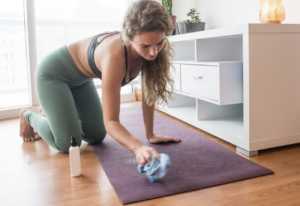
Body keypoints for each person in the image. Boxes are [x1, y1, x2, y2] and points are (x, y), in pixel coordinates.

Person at [19, 0, 181, 167]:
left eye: (159, 43)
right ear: (129, 37)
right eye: (145, 46)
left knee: (96, 135)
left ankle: (54, 112)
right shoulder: (114, 57)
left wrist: (150, 134)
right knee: (67, 144)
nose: (153, 52)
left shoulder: (151, 50)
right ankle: (29, 116)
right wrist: (138, 147)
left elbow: (148, 93)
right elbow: (111, 121)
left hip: (81, 80)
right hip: (53, 75)